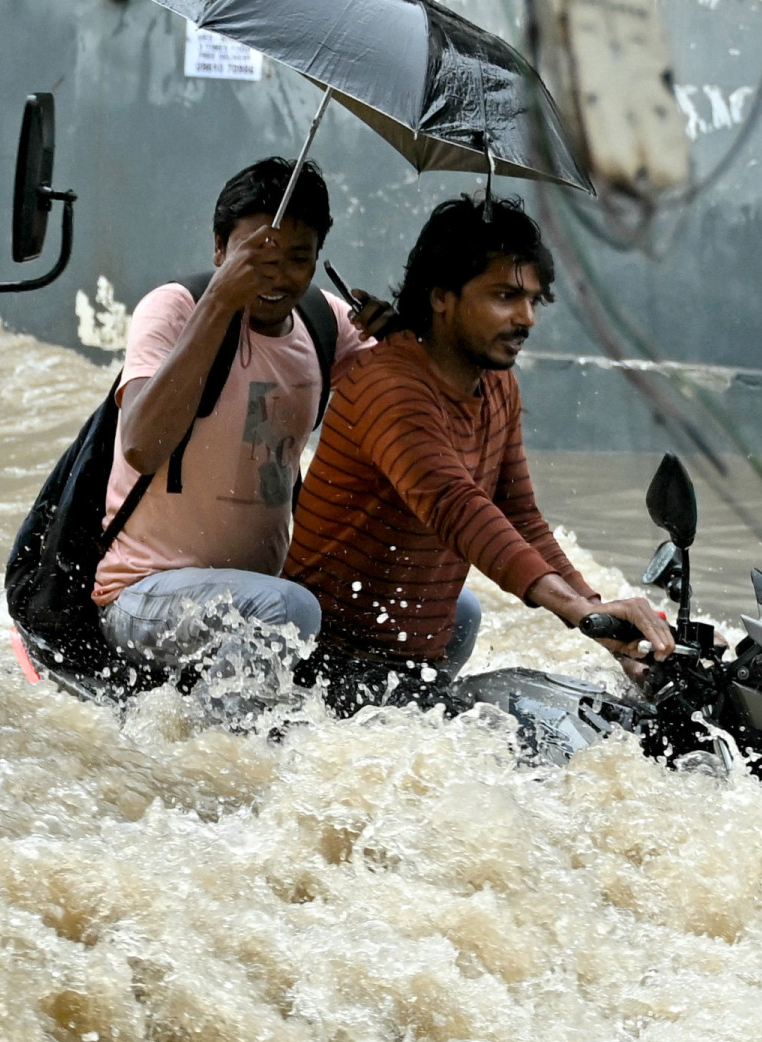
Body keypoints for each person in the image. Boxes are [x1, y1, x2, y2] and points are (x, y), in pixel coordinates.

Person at [285, 194, 674, 712]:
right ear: (442, 296)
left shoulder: (497, 387)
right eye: (505, 295)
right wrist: (574, 608)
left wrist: (602, 619)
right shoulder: (390, 387)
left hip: (411, 667)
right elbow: (458, 506)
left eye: (534, 300)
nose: (527, 318)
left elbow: (521, 517)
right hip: (325, 666)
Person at [93, 157, 387, 672]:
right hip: (141, 594)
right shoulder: (175, 308)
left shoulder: (325, 323)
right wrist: (220, 301)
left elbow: (404, 417)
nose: (276, 277)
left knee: (459, 610)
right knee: (285, 608)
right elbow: (140, 445)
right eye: (257, 257)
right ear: (219, 248)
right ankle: (228, 751)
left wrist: (404, 342)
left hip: (262, 597)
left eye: (299, 258)